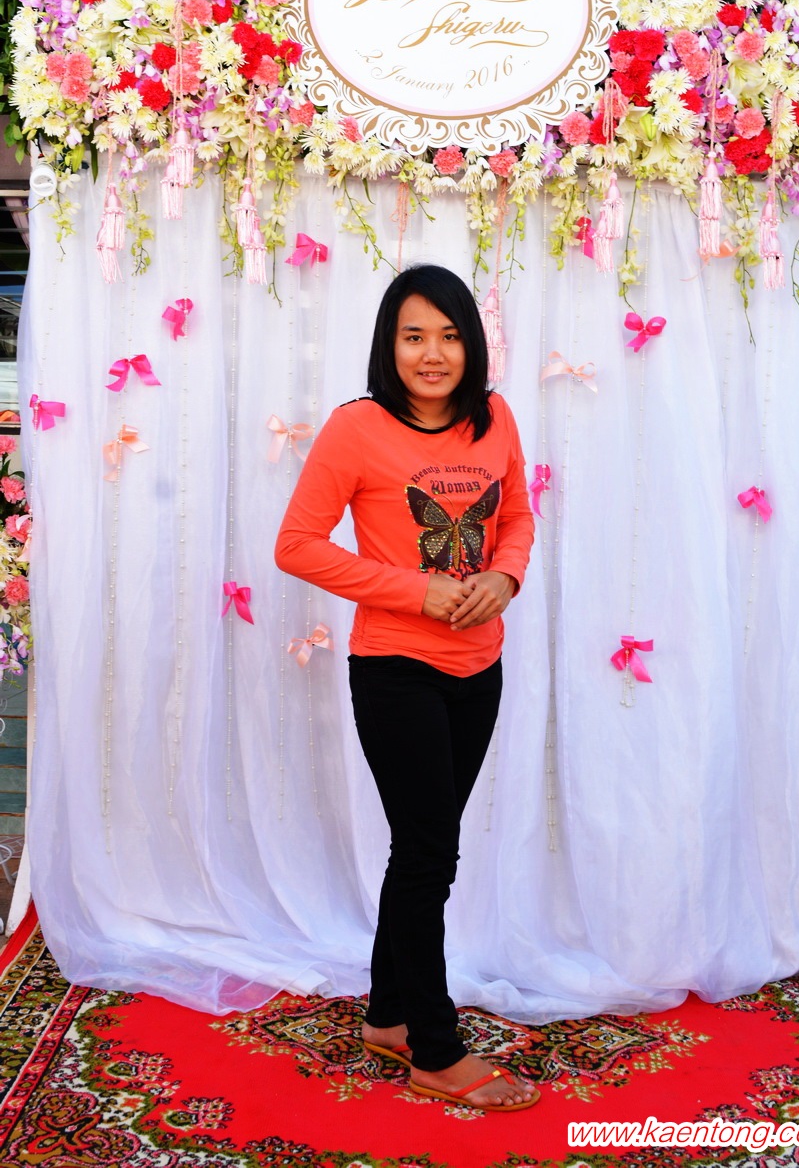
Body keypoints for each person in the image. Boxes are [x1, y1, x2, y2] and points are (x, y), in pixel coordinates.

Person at [275, 263, 538, 1111]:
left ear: (472, 345)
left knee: (420, 851)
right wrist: (415, 590)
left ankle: (388, 1015)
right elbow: (297, 544)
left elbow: (517, 516)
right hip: (395, 669)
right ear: (389, 345)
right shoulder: (356, 429)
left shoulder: (494, 418)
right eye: (414, 335)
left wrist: (503, 576)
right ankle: (434, 1048)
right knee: (431, 856)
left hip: (479, 666)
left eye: (450, 336)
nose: (433, 353)